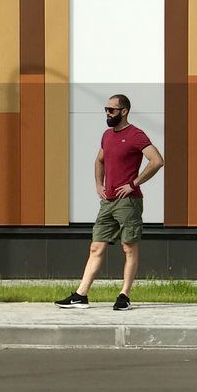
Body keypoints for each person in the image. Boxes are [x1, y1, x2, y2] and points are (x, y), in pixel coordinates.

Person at [55, 94, 164, 311]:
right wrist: (98, 185)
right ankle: (81, 295)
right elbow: (99, 160)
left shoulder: (136, 135)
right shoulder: (107, 135)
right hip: (108, 202)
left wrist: (133, 184)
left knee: (128, 248)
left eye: (111, 110)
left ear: (123, 111)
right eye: (106, 109)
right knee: (96, 246)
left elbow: (157, 161)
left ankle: (124, 295)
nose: (107, 113)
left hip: (128, 202)